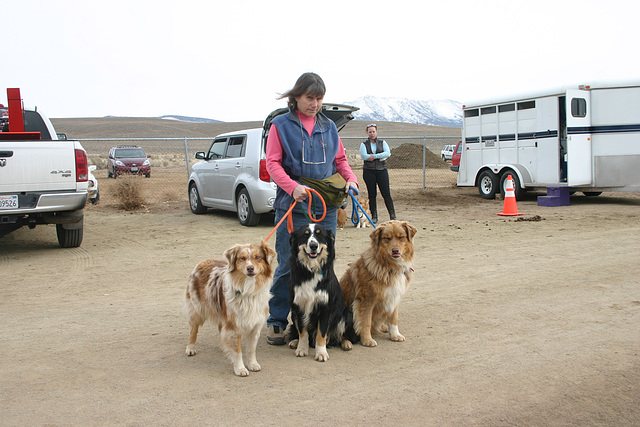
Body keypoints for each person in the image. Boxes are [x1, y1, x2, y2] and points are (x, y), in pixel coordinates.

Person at [264, 72, 358, 345]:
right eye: (309, 97)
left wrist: (350, 180)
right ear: (296, 97)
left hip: (326, 208)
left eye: (319, 98)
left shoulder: (328, 127)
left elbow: (340, 160)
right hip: (293, 207)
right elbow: (273, 164)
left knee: (324, 264)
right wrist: (292, 187)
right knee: (287, 266)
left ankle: (319, 320)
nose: (314, 103)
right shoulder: (280, 125)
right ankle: (278, 322)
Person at [360, 124, 396, 223]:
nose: (372, 134)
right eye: (370, 132)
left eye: (373, 132)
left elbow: (387, 153)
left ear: (377, 132)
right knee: (372, 194)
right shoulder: (364, 144)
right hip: (369, 171)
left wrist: (374, 156)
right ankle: (374, 215)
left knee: (386, 193)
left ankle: (392, 215)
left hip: (382, 171)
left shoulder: (382, 143)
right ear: (367, 133)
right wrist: (380, 156)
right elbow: (364, 156)